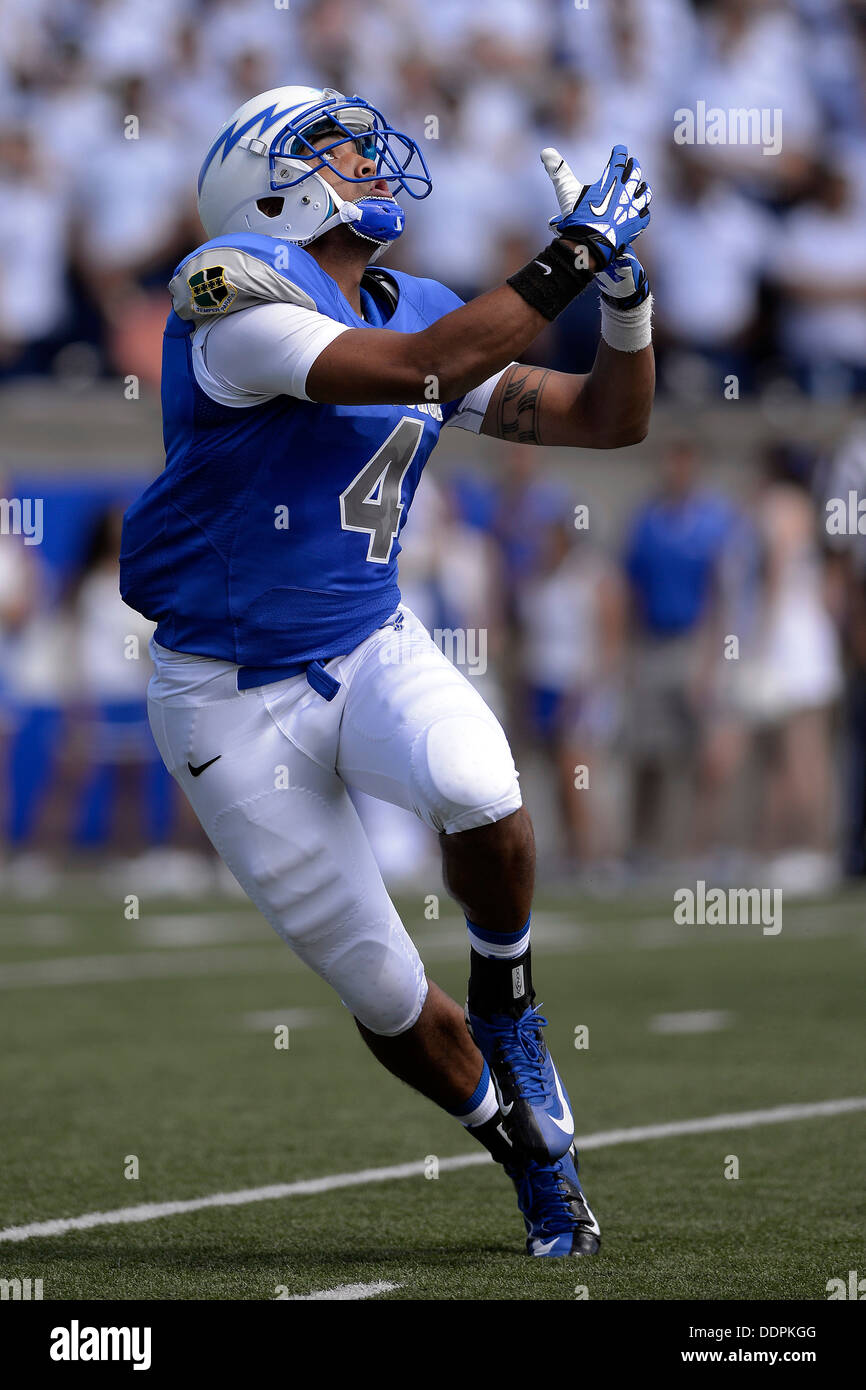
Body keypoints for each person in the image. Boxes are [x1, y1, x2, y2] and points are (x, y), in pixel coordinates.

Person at [120, 84, 654, 1257]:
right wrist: (571, 254)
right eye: (329, 146)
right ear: (269, 186)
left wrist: (622, 298)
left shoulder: (406, 300)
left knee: (480, 783)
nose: (363, 155)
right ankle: (523, 1152)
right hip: (224, 696)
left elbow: (605, 420)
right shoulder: (234, 297)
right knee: (383, 989)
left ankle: (510, 1002)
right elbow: (424, 362)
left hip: (363, 639)